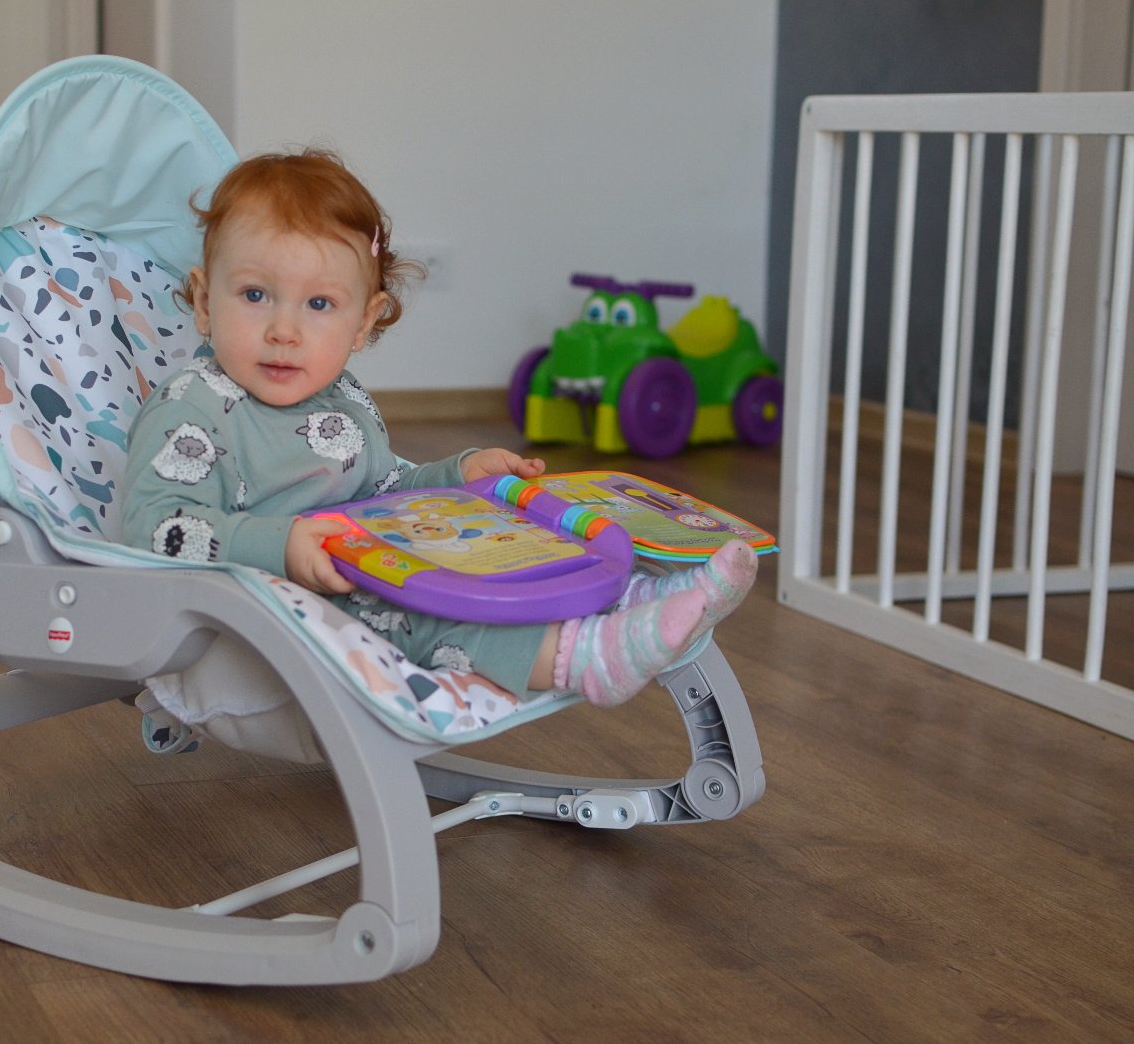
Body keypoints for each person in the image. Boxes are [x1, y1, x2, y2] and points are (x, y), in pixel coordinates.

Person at [121, 149, 754, 707]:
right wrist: (279, 544)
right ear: (205, 302)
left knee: (490, 546)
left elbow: (383, 492)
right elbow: (155, 528)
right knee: (419, 613)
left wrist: (456, 475)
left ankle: (635, 599)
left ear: (363, 323)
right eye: (255, 295)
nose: (284, 330)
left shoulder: (339, 398)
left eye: (319, 304)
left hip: (367, 565)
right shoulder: (192, 411)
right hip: (268, 611)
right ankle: (583, 659)